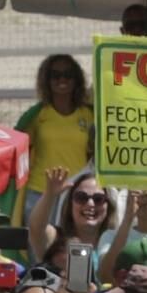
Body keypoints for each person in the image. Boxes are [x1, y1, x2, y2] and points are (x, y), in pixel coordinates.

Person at [17, 56, 94, 224]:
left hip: (77, 195)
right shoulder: (37, 116)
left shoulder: (89, 115)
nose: (62, 79)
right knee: (39, 249)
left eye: (68, 74)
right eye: (55, 75)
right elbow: (18, 150)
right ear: (47, 80)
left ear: (76, 79)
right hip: (39, 192)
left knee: (76, 248)